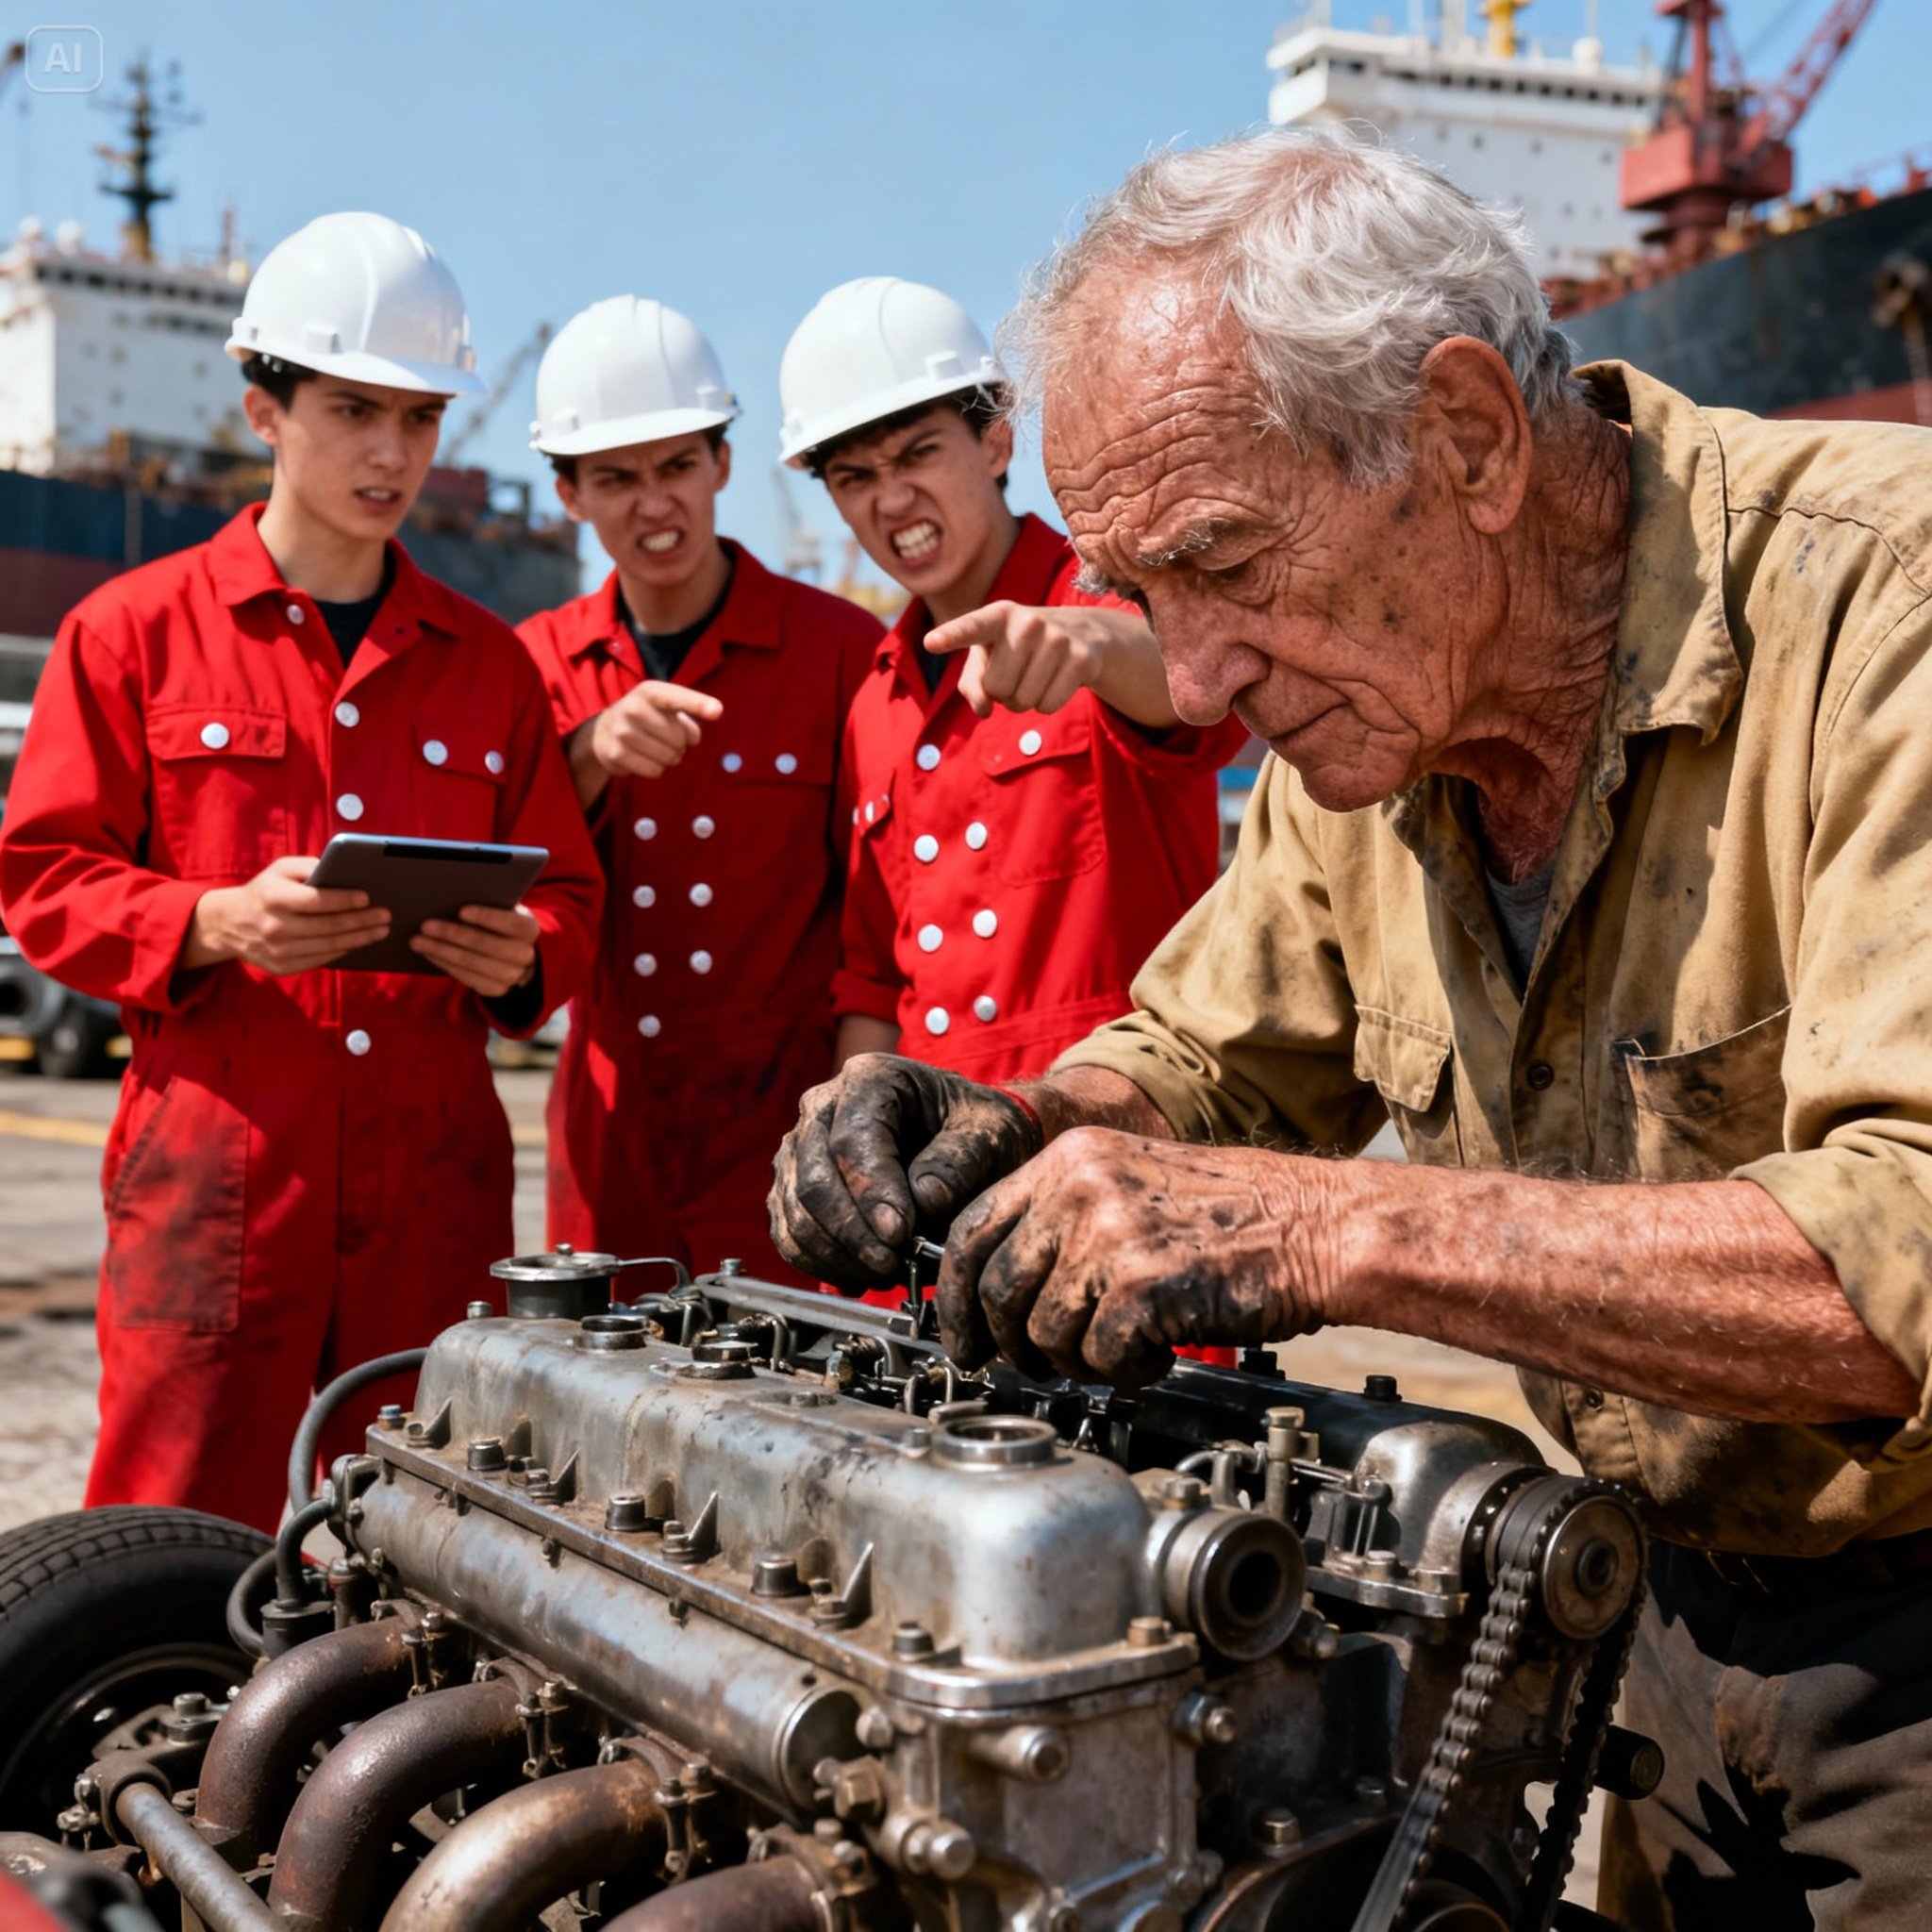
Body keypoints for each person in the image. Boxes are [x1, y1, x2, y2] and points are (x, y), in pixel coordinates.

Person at [771, 133, 1932, 1928]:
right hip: (1659, 1611)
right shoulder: (1376, 713)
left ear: (1466, 440)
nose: (1199, 672)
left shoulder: (1887, 607)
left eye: (1222, 563)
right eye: (1149, 597)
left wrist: (1319, 1227)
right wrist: (1009, 1121)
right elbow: (1206, 1056)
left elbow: (1906, 1250)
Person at [0, 212, 603, 1533]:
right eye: (351, 410)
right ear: (263, 406)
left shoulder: (488, 666)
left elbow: (569, 897)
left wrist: (531, 959)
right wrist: (209, 919)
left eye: (419, 417)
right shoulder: (130, 634)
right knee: (173, 1532)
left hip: (430, 1190)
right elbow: (42, 878)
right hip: (215, 1184)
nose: (392, 454)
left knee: (425, 1545)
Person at [780, 275, 1246, 1088]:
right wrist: (849, 1129)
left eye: (918, 453)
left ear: (996, 440)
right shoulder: (875, 704)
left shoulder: (1112, 602)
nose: (893, 500)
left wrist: (1092, 641)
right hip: (938, 1171)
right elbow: (875, 975)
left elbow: (1193, 702)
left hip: (1118, 1134)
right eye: (853, 477)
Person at [517, 298, 880, 1280]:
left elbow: (880, 910)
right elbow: (493, 866)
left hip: (787, 1132)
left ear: (723, 463)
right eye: (616, 478)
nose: (653, 503)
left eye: (677, 465)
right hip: (609, 1131)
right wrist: (586, 750)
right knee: (593, 1407)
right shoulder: (531, 667)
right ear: (567, 495)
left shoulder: (842, 653)